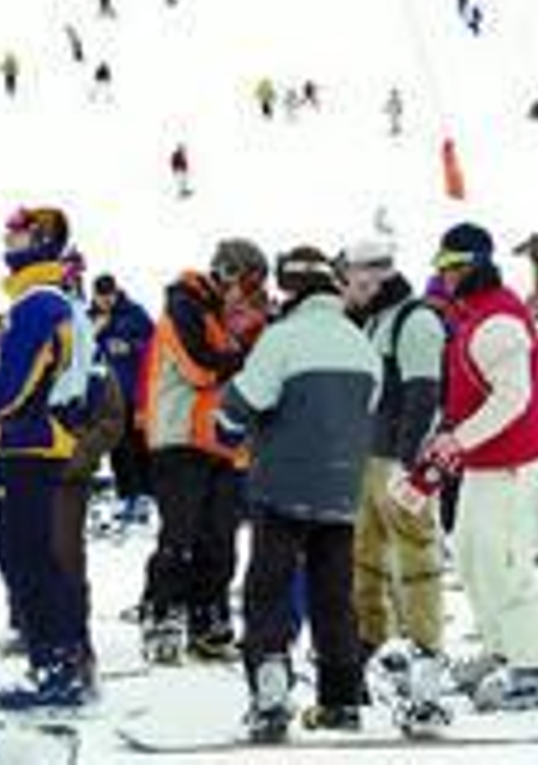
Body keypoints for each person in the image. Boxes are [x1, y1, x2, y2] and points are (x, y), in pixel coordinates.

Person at [223, 246, 380, 740]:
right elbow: (373, 403)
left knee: (268, 590)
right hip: (342, 489)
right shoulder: (360, 342)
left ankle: (270, 690)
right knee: (333, 595)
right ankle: (340, 698)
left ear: (289, 292)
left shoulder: (282, 338)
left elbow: (245, 402)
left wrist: (228, 427)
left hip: (283, 486)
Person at [0, 208, 95, 710]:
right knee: (40, 556)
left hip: (31, 444)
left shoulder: (37, 304)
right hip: (40, 442)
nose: (7, 238)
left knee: (26, 558)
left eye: (16, 230)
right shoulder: (53, 299)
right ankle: (65, 662)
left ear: (39, 239)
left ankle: (56, 668)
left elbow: (14, 384)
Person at [424, 223, 538, 710]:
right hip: (486, 460)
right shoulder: (473, 313)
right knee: (470, 554)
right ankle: (501, 646)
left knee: (504, 561)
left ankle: (533, 664)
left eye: (456, 267)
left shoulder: (499, 319)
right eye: (442, 268)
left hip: (512, 464)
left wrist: (457, 439)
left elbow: (514, 396)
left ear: (478, 264)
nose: (447, 277)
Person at [139, 238, 269, 664]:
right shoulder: (185, 305)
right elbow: (200, 367)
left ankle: (208, 618)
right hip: (179, 437)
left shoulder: (226, 316)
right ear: (227, 274)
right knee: (181, 534)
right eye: (246, 283)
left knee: (220, 539)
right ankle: (162, 613)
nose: (247, 295)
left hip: (223, 441)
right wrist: (247, 355)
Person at [336, 240, 449, 728]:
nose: (347, 286)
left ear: (374, 276)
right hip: (367, 459)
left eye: (352, 276)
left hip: (398, 463)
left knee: (416, 560)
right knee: (367, 558)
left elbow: (424, 395)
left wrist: (407, 464)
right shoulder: (375, 319)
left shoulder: (414, 321)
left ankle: (425, 652)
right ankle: (373, 646)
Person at [92, 274, 155, 524]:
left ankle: (145, 495)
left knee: (137, 443)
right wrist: (96, 332)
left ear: (116, 293)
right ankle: (125, 494)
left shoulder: (134, 313)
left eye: (109, 296)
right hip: (106, 394)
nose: (105, 301)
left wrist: (131, 347)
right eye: (101, 296)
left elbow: (154, 344)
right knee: (117, 445)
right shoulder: (91, 317)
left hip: (133, 391)